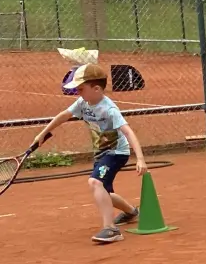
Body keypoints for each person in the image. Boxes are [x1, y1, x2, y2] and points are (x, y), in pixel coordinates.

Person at [33, 63, 148, 243]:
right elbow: (64, 115)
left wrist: (140, 159)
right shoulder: (83, 102)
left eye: (80, 89)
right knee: (104, 192)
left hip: (116, 152)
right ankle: (131, 212)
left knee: (95, 182)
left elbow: (128, 131)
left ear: (96, 89)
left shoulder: (109, 109)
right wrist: (43, 133)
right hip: (101, 153)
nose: (77, 93)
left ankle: (111, 229)